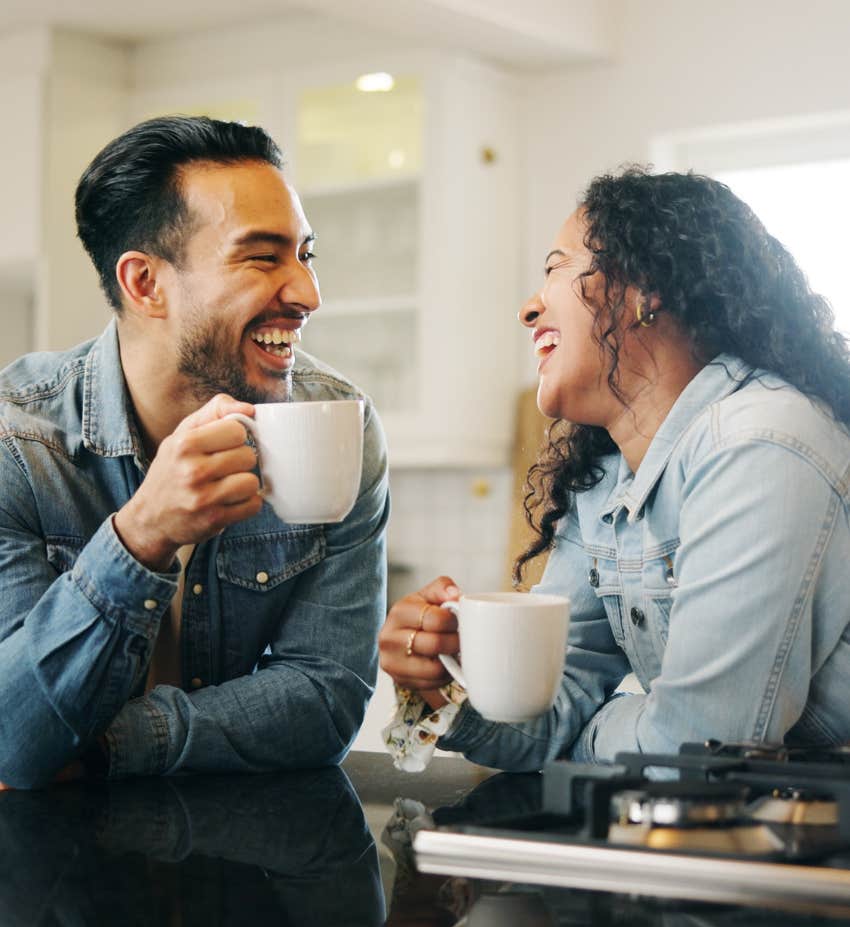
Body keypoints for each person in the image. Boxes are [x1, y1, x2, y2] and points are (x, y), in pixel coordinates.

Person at [379, 166, 850, 772]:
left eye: (556, 269)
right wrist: (443, 688)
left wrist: (590, 736)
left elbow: (697, 752)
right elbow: (550, 707)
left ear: (642, 289)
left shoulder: (759, 445)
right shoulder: (606, 479)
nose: (529, 308)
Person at [0, 115, 389, 789]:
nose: (308, 293)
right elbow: (13, 736)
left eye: (306, 255)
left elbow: (327, 698)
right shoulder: (19, 447)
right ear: (145, 283)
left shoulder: (338, 423)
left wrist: (104, 747)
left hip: (245, 843)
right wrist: (142, 535)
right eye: (263, 257)